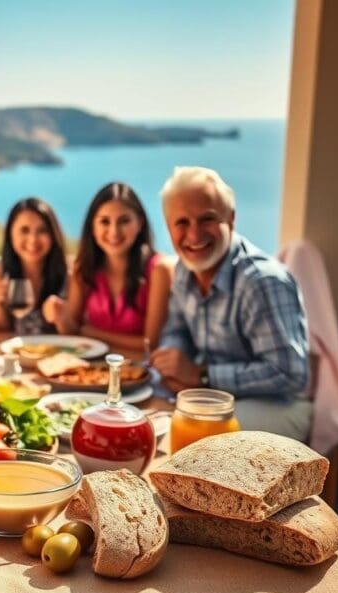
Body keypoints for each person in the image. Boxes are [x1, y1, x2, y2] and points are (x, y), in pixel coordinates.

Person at [150, 166, 311, 441]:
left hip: (279, 404)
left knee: (194, 439)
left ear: (231, 219)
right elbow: (177, 329)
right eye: (182, 223)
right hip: (214, 396)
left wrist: (201, 376)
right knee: (147, 419)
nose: (194, 234)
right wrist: (171, 361)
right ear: (168, 226)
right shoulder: (183, 269)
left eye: (207, 219)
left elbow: (289, 373)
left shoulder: (262, 281)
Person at [43, 182, 172, 351]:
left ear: (140, 223)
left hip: (140, 372)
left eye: (124, 221)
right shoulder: (84, 268)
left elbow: (149, 343)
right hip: (89, 372)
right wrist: (58, 316)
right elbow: (71, 332)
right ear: (93, 227)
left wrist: (89, 332)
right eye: (104, 222)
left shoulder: (159, 270)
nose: (114, 232)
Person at [0, 197, 67, 333]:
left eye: (42, 230)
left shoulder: (68, 275)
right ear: (10, 234)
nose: (33, 240)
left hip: (56, 353)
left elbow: (74, 336)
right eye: (24, 230)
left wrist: (60, 318)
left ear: (53, 234)